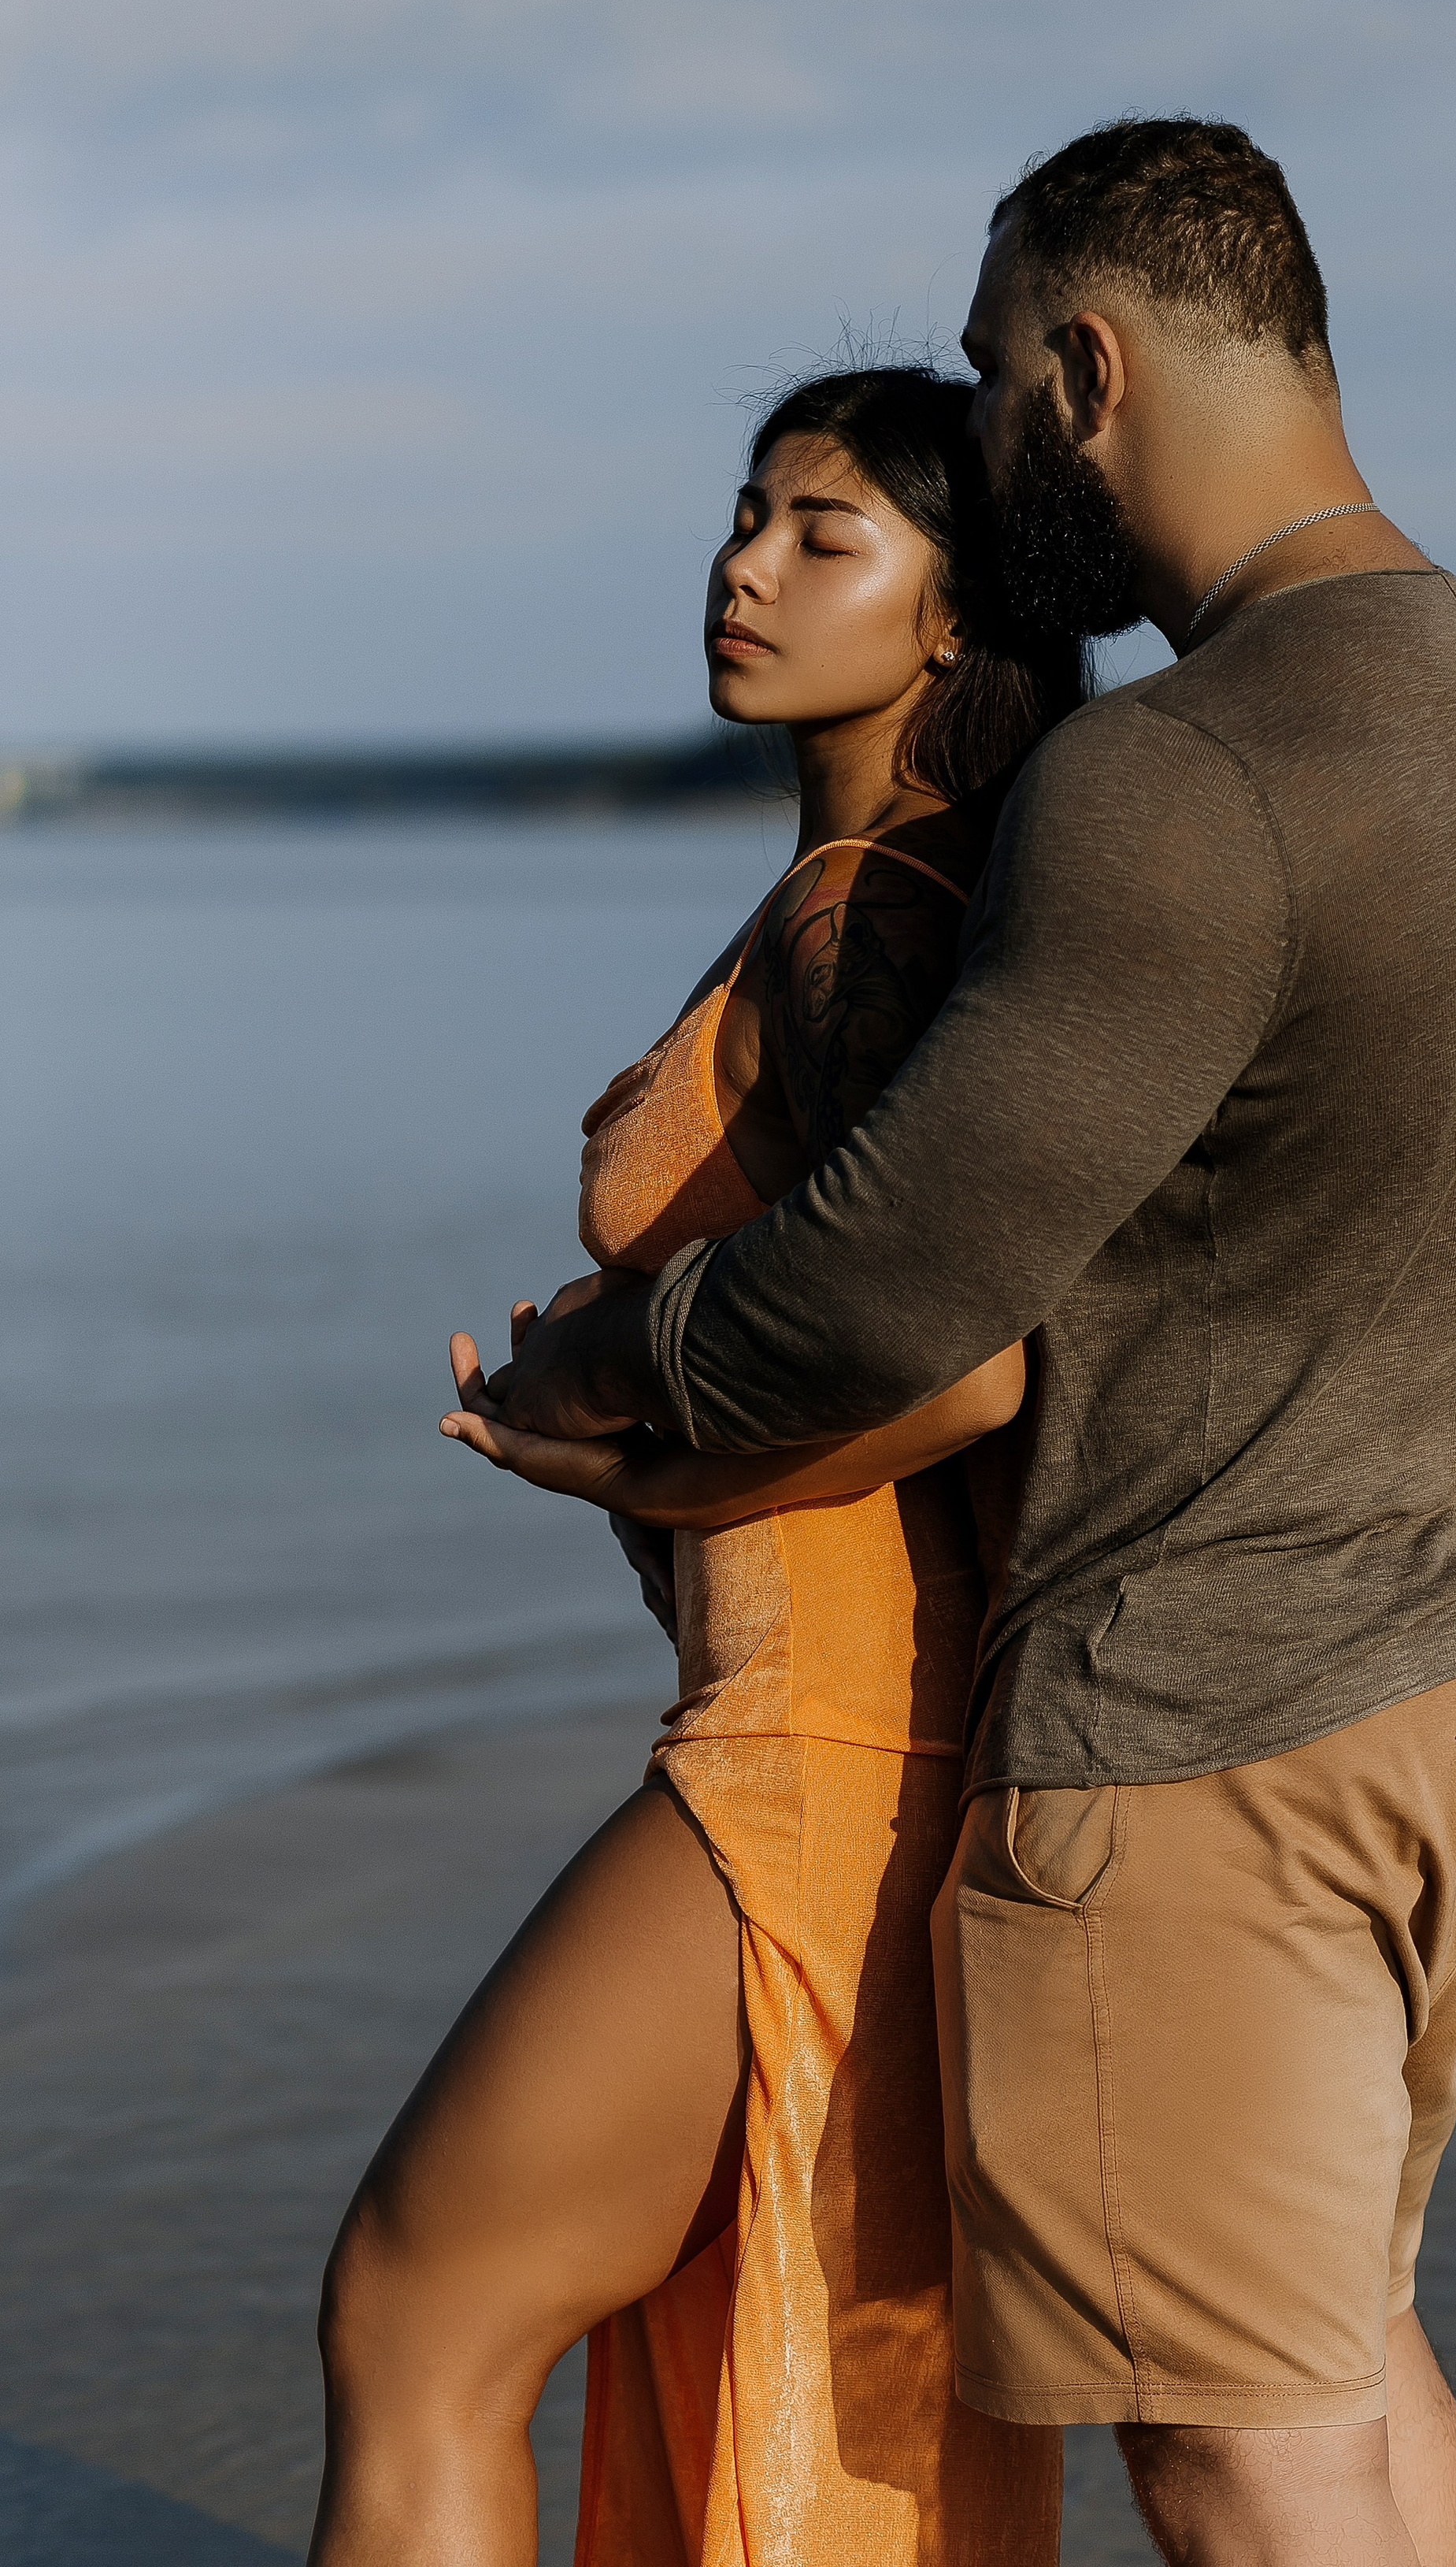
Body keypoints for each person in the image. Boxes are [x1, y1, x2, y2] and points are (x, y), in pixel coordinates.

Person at [484, 119, 1456, 2567]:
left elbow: (904, 1284)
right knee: (1342, 2358)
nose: (992, 429)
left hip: (1232, 1716)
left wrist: (598, 1375)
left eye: (1001, 378)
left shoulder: (1180, 767)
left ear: (1086, 370)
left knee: (1234, 2442)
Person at [308, 368, 1080, 2567]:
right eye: (746, 516)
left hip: (821, 1747)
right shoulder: (859, 898)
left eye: (825, 534)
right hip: (811, 1728)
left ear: (950, 616)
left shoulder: (880, 914)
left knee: (418, 2304)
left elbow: (970, 1370)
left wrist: (634, 1478)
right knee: (507, 2316)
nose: (747, 566)